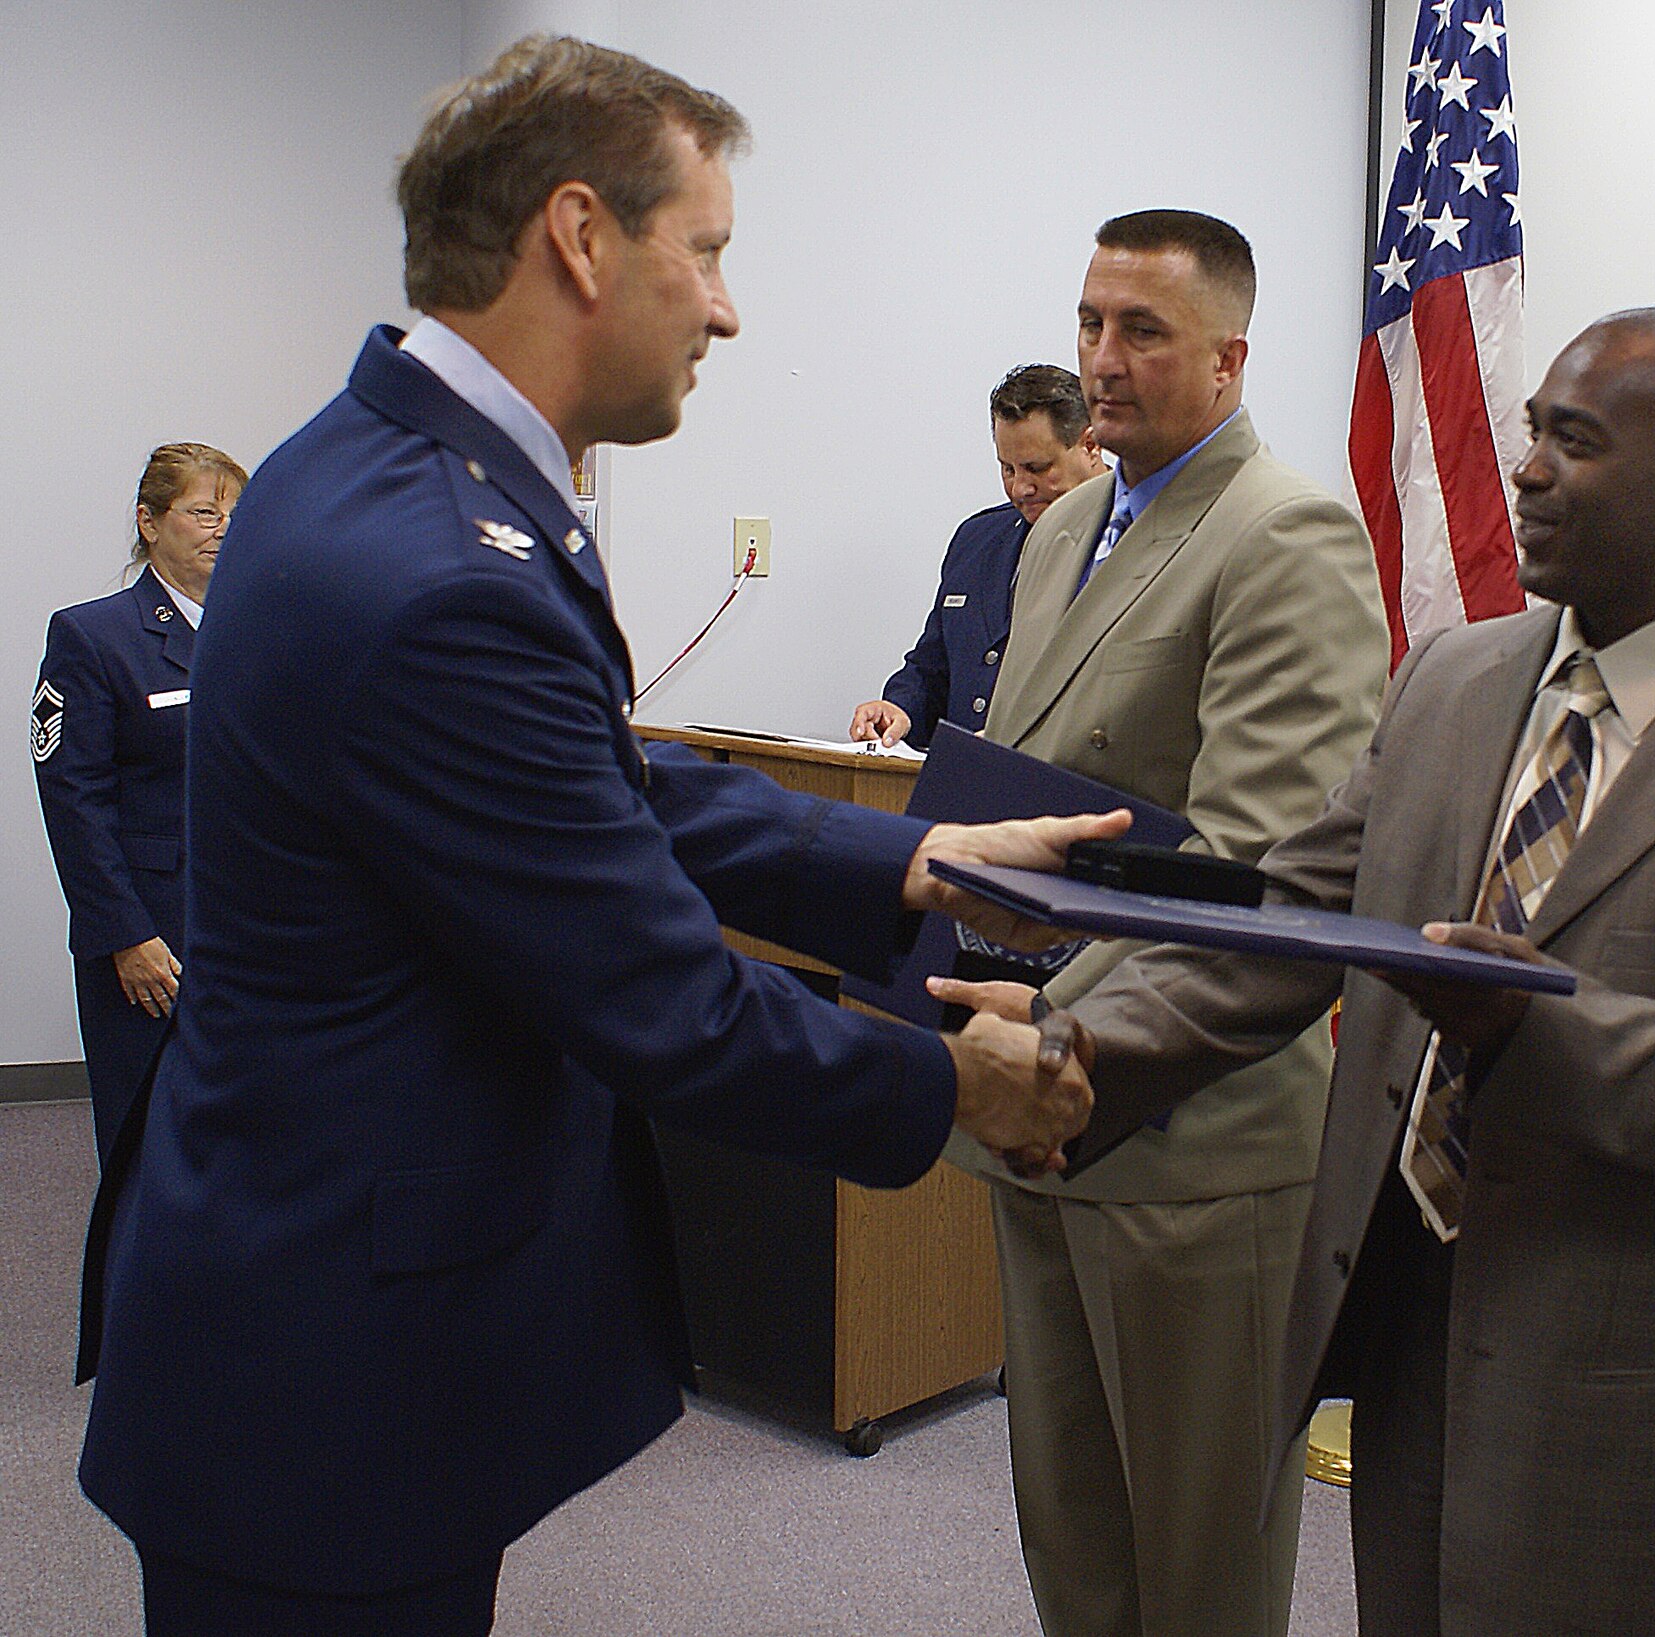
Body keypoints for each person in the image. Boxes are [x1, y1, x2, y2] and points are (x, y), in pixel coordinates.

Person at [73, 36, 1118, 1635]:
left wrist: (914, 862)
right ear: (579, 236)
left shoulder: (378, 468)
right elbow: (667, 1005)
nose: (725, 305)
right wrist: (952, 1080)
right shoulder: (443, 563)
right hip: (326, 1386)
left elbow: (594, 783)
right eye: (704, 250)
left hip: (318, 1306)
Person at [949, 307, 1655, 1636]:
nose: (1528, 467)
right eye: (1535, 427)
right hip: (1410, 1333)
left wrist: (1547, 1036)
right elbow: (1292, 913)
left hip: (1625, 1405)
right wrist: (1092, 1059)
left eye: (1576, 441)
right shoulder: (1453, 681)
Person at [942, 210, 1390, 1637]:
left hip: (1191, 1136)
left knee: (1198, 1575)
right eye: (1090, 324)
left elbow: (1258, 874)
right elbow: (1030, 797)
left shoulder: (1285, 533)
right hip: (1037, 1108)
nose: (1103, 360)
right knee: (1072, 1542)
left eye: (1143, 332)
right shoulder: (1065, 519)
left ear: (1229, 358)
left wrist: (1050, 1019)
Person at [32, 441, 247, 1163]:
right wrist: (123, 934)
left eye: (234, 513)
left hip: (249, 923)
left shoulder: (257, 631)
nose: (222, 527)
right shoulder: (94, 636)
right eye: (202, 511)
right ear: (149, 522)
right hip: (153, 931)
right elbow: (74, 799)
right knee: (146, 1133)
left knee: (243, 1127)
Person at [849, 363, 1105, 749]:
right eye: (1007, 469)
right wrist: (899, 709)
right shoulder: (978, 540)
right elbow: (932, 667)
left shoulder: (1134, 541)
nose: (1021, 488)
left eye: (1037, 468)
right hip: (965, 787)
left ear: (1090, 445)